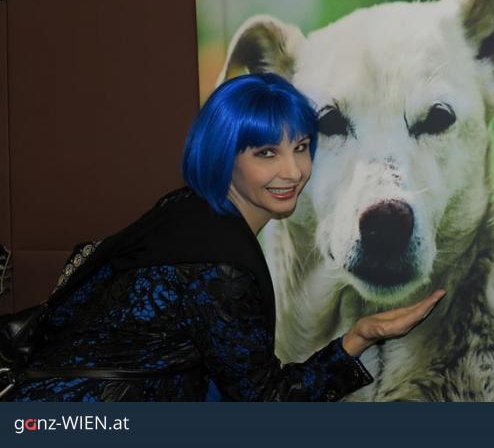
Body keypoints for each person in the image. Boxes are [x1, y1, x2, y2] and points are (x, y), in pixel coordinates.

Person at [2, 73, 444, 401]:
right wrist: (360, 336)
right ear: (224, 155)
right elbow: (268, 405)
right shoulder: (219, 267)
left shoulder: (187, 209)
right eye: (266, 153)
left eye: (301, 147)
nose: (293, 171)